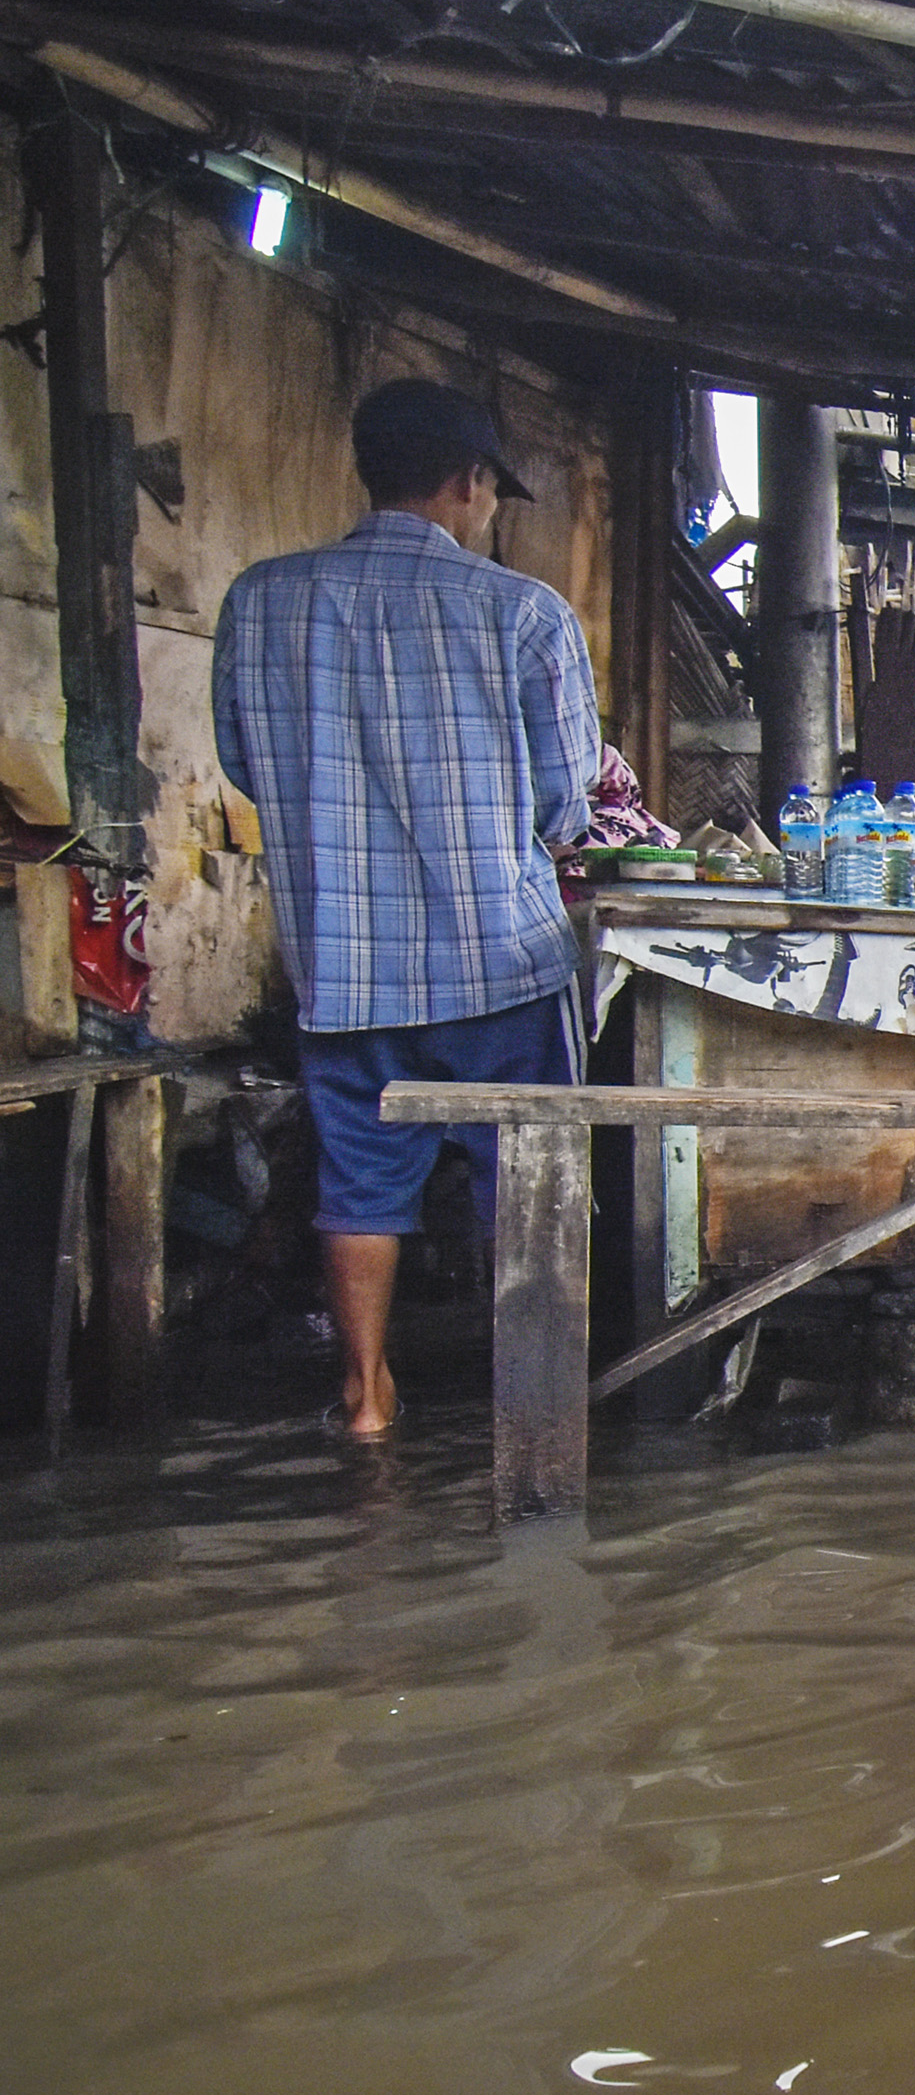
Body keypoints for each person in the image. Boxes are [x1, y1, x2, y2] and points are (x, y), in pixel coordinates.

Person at [216, 376, 599, 1438]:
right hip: (500, 963)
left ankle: (367, 1397)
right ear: (469, 481)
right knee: (527, 1179)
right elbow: (567, 803)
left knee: (360, 1185)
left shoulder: (261, 600)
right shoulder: (525, 613)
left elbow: (246, 763)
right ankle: (534, 1412)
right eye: (493, 491)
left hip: (342, 966)